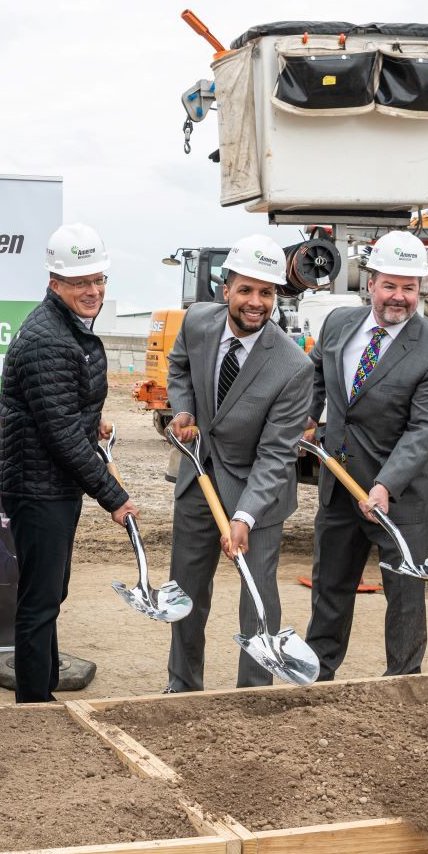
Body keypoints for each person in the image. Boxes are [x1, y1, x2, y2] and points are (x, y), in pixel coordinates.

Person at [304, 230, 428, 679]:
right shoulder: (337, 324)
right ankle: (319, 675)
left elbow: (425, 430)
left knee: (404, 596)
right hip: (339, 484)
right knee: (330, 586)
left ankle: (403, 684)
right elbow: (319, 372)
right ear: (370, 282)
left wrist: (386, 484)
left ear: (420, 290)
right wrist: (309, 417)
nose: (399, 297)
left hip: (401, 497)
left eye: (409, 288)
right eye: (390, 285)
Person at [164, 236, 315, 692]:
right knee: (185, 593)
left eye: (266, 293)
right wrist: (184, 411)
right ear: (225, 288)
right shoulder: (197, 323)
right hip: (198, 478)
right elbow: (179, 367)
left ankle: (253, 694)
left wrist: (245, 516)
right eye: (246, 290)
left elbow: (275, 455)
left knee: (257, 597)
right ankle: (183, 685)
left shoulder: (292, 366)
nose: (256, 302)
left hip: (257, 494)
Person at [0, 223, 138, 703]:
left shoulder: (66, 329)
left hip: (50, 482)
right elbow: (58, 434)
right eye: (81, 282)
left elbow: (61, 412)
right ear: (55, 283)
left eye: (99, 280)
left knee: (50, 593)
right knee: (40, 601)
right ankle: (34, 705)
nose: (93, 290)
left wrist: (90, 418)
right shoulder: (49, 340)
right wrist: (114, 497)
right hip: (38, 487)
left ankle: (46, 681)